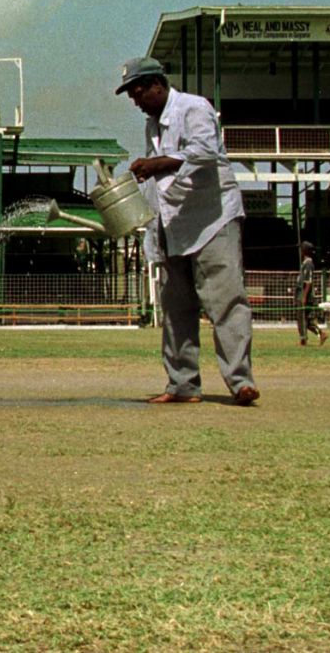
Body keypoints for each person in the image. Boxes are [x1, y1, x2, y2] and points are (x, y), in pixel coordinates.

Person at [117, 56, 260, 406]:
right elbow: (165, 176)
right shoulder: (152, 125)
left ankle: (240, 381)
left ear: (156, 84)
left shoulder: (194, 108)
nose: (135, 101)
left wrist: (156, 164)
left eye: (137, 92)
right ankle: (182, 384)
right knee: (176, 308)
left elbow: (204, 151)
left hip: (212, 219)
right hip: (174, 222)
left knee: (226, 301)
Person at [295, 240, 327, 346]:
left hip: (304, 295)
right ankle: (321, 333)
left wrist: (304, 296)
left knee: (301, 318)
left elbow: (308, 282)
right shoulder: (305, 263)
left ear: (305, 251)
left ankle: (303, 339)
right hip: (302, 293)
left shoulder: (308, 264)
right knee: (307, 320)